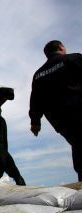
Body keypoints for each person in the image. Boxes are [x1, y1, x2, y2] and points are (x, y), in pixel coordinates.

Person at [29, 40, 82, 182]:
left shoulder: (38, 74)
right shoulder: (73, 58)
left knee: (78, 146)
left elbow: (35, 100)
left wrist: (35, 122)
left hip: (61, 120)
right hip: (78, 110)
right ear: (60, 47)